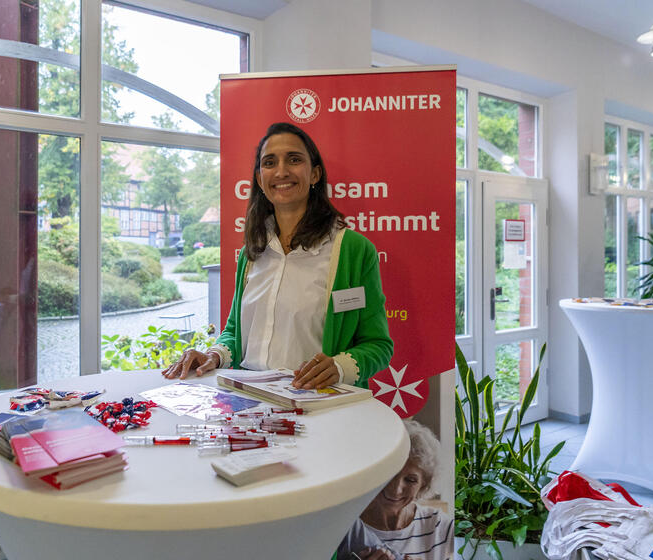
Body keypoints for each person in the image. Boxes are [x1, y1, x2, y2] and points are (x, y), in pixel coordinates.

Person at [162, 122, 393, 389]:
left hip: (319, 407)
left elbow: (378, 345)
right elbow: (235, 332)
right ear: (260, 179)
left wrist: (339, 367)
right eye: (269, 163)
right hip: (248, 404)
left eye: (294, 160)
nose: (281, 171)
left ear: (315, 173)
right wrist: (214, 355)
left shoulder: (353, 250)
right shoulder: (252, 251)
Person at [336, 420, 453, 560]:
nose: (396, 490)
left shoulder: (440, 526)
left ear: (423, 484)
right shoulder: (343, 526)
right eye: (390, 474)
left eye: (410, 480)